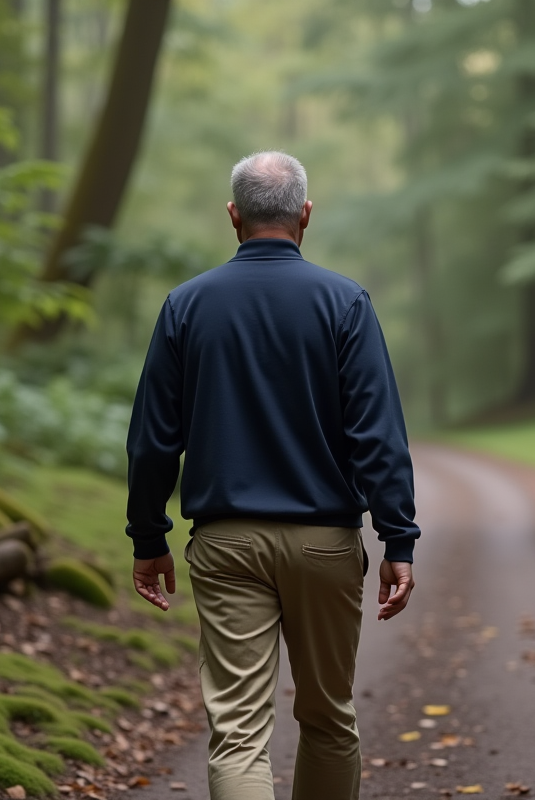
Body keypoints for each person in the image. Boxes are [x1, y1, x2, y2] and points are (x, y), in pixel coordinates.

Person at [125, 150, 419, 800]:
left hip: (226, 545)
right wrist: (398, 539)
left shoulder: (185, 306)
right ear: (305, 215)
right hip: (325, 545)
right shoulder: (346, 304)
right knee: (328, 719)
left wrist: (149, 537)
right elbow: (378, 437)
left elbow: (151, 441)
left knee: (236, 733)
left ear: (233, 216)